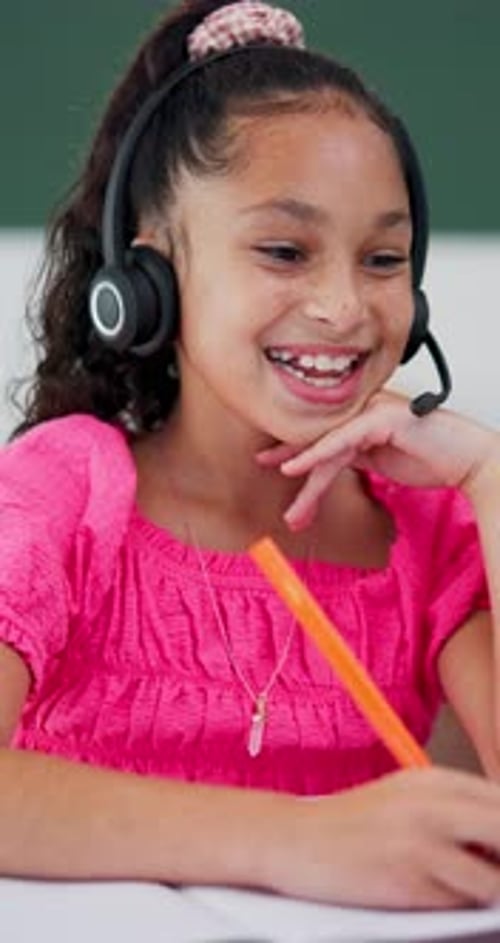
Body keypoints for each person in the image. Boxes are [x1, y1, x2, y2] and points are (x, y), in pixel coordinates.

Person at [2, 0, 500, 911]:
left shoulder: (433, 530)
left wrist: (492, 480)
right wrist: (299, 839)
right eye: (284, 249)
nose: (345, 307)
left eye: (384, 259)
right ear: (149, 279)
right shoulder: (61, 490)